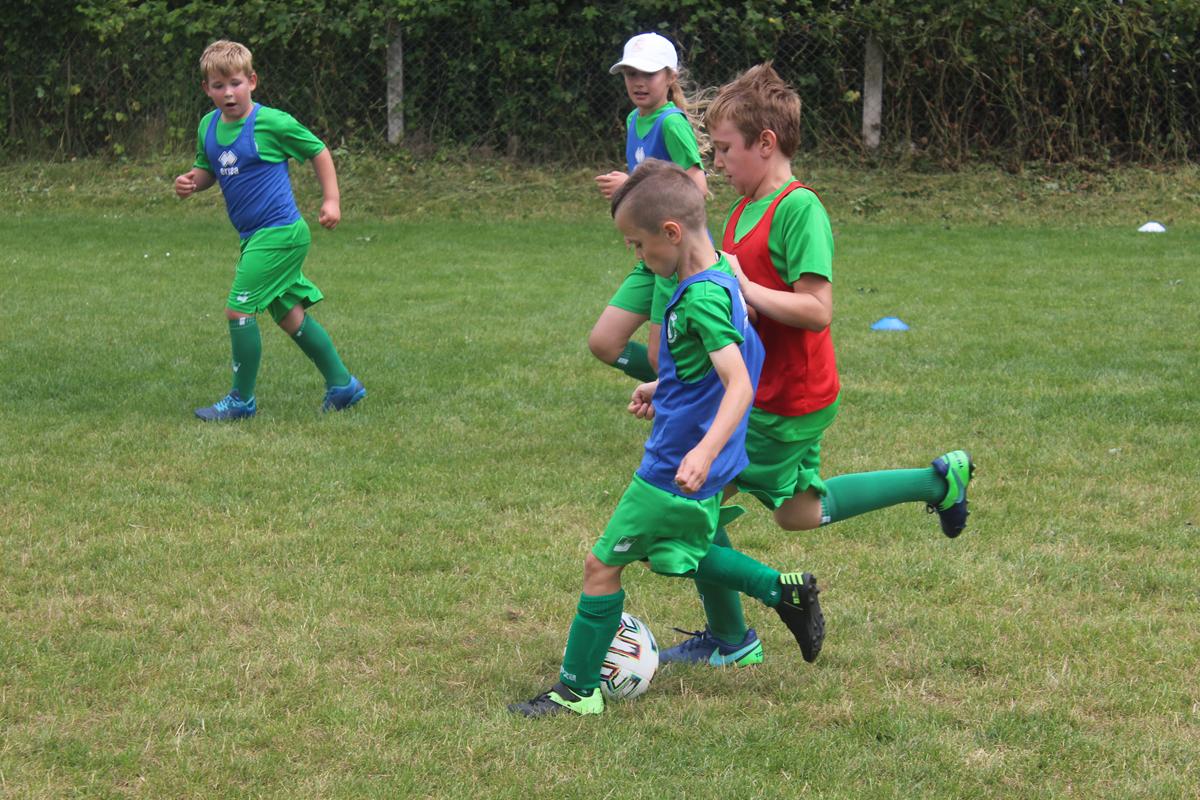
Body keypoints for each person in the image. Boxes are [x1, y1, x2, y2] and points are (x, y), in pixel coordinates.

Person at [658, 64, 974, 668]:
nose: (716, 163)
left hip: (786, 399)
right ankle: (938, 482)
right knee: (797, 512)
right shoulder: (742, 211)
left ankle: (731, 636)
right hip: (771, 390)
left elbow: (816, 309)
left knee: (686, 496)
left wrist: (745, 287)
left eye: (724, 149)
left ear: (765, 143)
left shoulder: (798, 209)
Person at [509, 160, 824, 718]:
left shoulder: (700, 296)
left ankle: (577, 691)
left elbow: (739, 382)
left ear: (671, 232)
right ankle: (782, 591)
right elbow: (720, 363)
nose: (637, 255)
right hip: (689, 460)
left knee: (601, 566)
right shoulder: (723, 275)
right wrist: (665, 386)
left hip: (672, 467)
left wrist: (703, 450)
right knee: (679, 553)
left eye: (638, 244)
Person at [174, 39, 365, 420]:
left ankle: (241, 401)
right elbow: (209, 169)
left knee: (238, 310)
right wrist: (191, 182)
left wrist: (332, 200)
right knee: (289, 315)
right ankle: (343, 385)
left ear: (252, 81)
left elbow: (318, 151)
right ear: (206, 89)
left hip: (280, 234)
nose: (229, 93)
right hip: (254, 238)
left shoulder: (272, 122)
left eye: (236, 83)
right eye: (219, 86)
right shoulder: (208, 126)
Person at [588, 33, 709, 383]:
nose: (638, 82)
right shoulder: (633, 120)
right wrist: (636, 226)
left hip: (677, 259)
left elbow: (697, 189)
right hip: (651, 256)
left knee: (661, 357)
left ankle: (694, 396)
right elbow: (648, 189)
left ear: (670, 77)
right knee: (604, 343)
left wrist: (629, 186)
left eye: (649, 73)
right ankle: (672, 389)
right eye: (630, 74)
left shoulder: (670, 123)